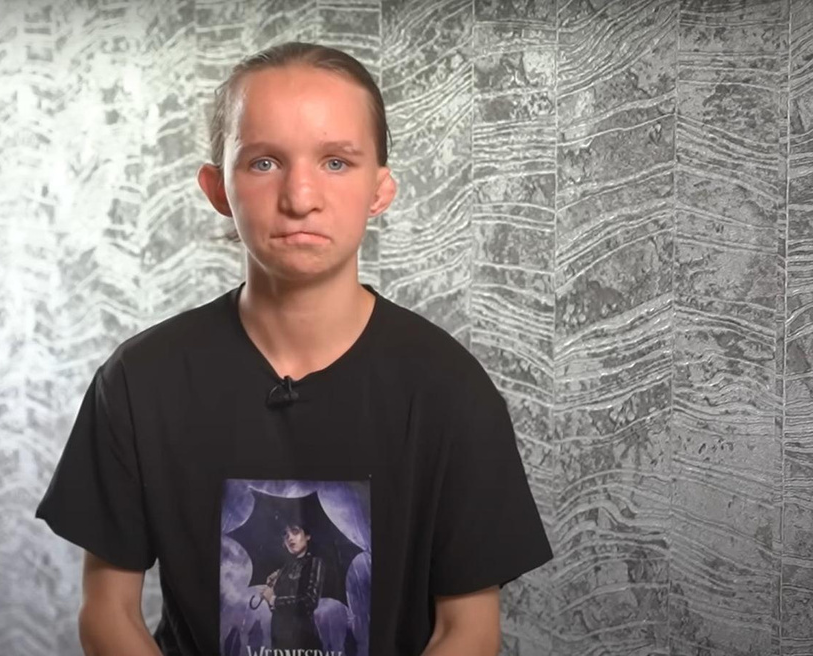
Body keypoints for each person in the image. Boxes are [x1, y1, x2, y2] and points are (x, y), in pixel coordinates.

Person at [36, 41, 553, 656]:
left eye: (336, 162)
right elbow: (107, 612)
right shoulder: (138, 381)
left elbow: (467, 632)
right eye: (263, 163)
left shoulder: (451, 391)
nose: (300, 196)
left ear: (380, 188)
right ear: (217, 188)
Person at [259, 523, 325, 649]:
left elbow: (309, 601)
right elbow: (278, 609)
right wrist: (272, 590)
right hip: (280, 638)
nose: (289, 538)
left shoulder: (314, 562)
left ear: (307, 536)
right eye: (285, 534)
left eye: (295, 531)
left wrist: (273, 600)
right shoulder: (284, 568)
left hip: (302, 639)